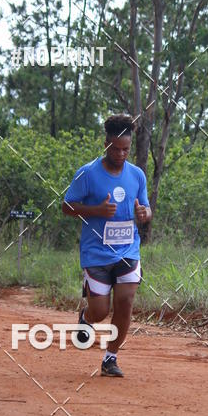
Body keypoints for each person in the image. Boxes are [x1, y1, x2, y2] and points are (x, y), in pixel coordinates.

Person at [62, 114, 152, 377]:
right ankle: (86, 316)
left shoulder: (137, 175)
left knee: (126, 301)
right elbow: (66, 206)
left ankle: (110, 358)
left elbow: (145, 207)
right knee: (101, 312)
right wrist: (96, 210)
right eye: (115, 148)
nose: (121, 154)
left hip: (128, 251)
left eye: (126, 149)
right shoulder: (88, 173)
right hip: (97, 253)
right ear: (105, 144)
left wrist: (145, 214)